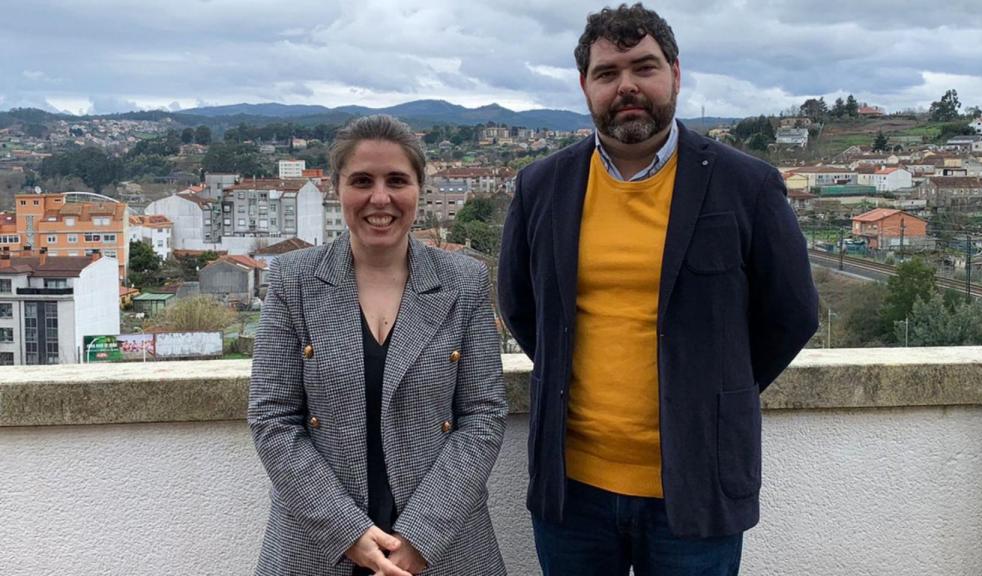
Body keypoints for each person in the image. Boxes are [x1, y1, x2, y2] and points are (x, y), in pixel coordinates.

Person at [498, 4, 818, 575]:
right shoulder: (541, 186)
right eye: (607, 72)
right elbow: (522, 306)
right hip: (571, 488)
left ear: (675, 72)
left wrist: (718, 389)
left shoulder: (747, 184)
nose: (627, 86)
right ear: (584, 86)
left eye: (643, 67)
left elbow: (791, 314)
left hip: (696, 486)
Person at [249, 115, 508, 576]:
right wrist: (345, 532)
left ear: (419, 189)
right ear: (337, 188)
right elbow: (273, 419)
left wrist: (422, 534)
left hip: (443, 547)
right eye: (363, 181)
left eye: (397, 181)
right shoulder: (293, 281)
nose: (380, 198)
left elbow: (483, 416)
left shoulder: (464, 281)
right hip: (317, 546)